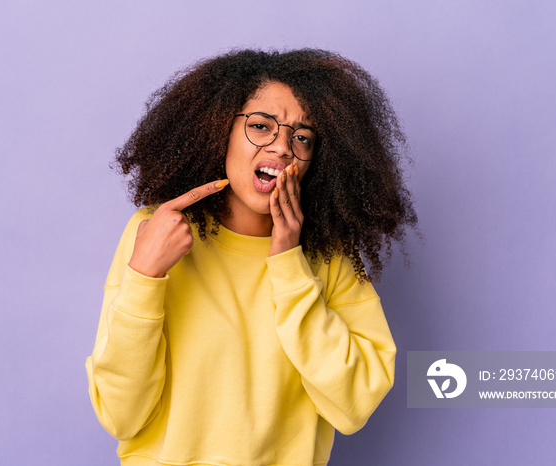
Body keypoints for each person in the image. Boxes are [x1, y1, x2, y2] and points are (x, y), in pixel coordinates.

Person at [86, 49, 417, 466]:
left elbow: (354, 404)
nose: (282, 147)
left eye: (302, 137)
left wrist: (290, 265)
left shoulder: (329, 256)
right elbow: (121, 417)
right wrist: (144, 277)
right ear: (216, 131)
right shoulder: (154, 233)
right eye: (260, 126)